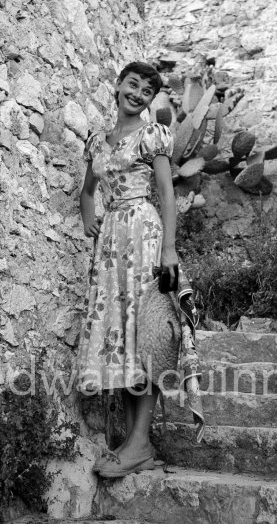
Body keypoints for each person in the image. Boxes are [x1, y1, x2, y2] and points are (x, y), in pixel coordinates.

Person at [75, 61, 178, 478]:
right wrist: (88, 218)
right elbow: (87, 191)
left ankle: (138, 442)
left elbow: (168, 194)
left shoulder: (152, 135)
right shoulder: (98, 140)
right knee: (125, 333)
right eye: (132, 84)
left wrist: (168, 249)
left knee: (146, 331)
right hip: (112, 241)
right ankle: (139, 443)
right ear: (118, 86)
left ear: (151, 100)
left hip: (144, 234)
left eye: (146, 91)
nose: (137, 94)